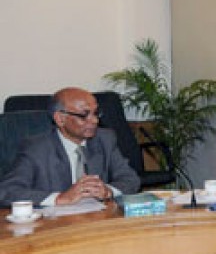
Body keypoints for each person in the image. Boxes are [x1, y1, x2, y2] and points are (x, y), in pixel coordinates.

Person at [0, 87, 140, 206]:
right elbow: (7, 191)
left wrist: (108, 191)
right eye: (84, 115)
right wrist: (60, 198)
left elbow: (130, 179)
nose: (94, 120)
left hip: (97, 218)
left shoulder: (105, 138)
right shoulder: (36, 148)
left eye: (96, 113)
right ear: (60, 119)